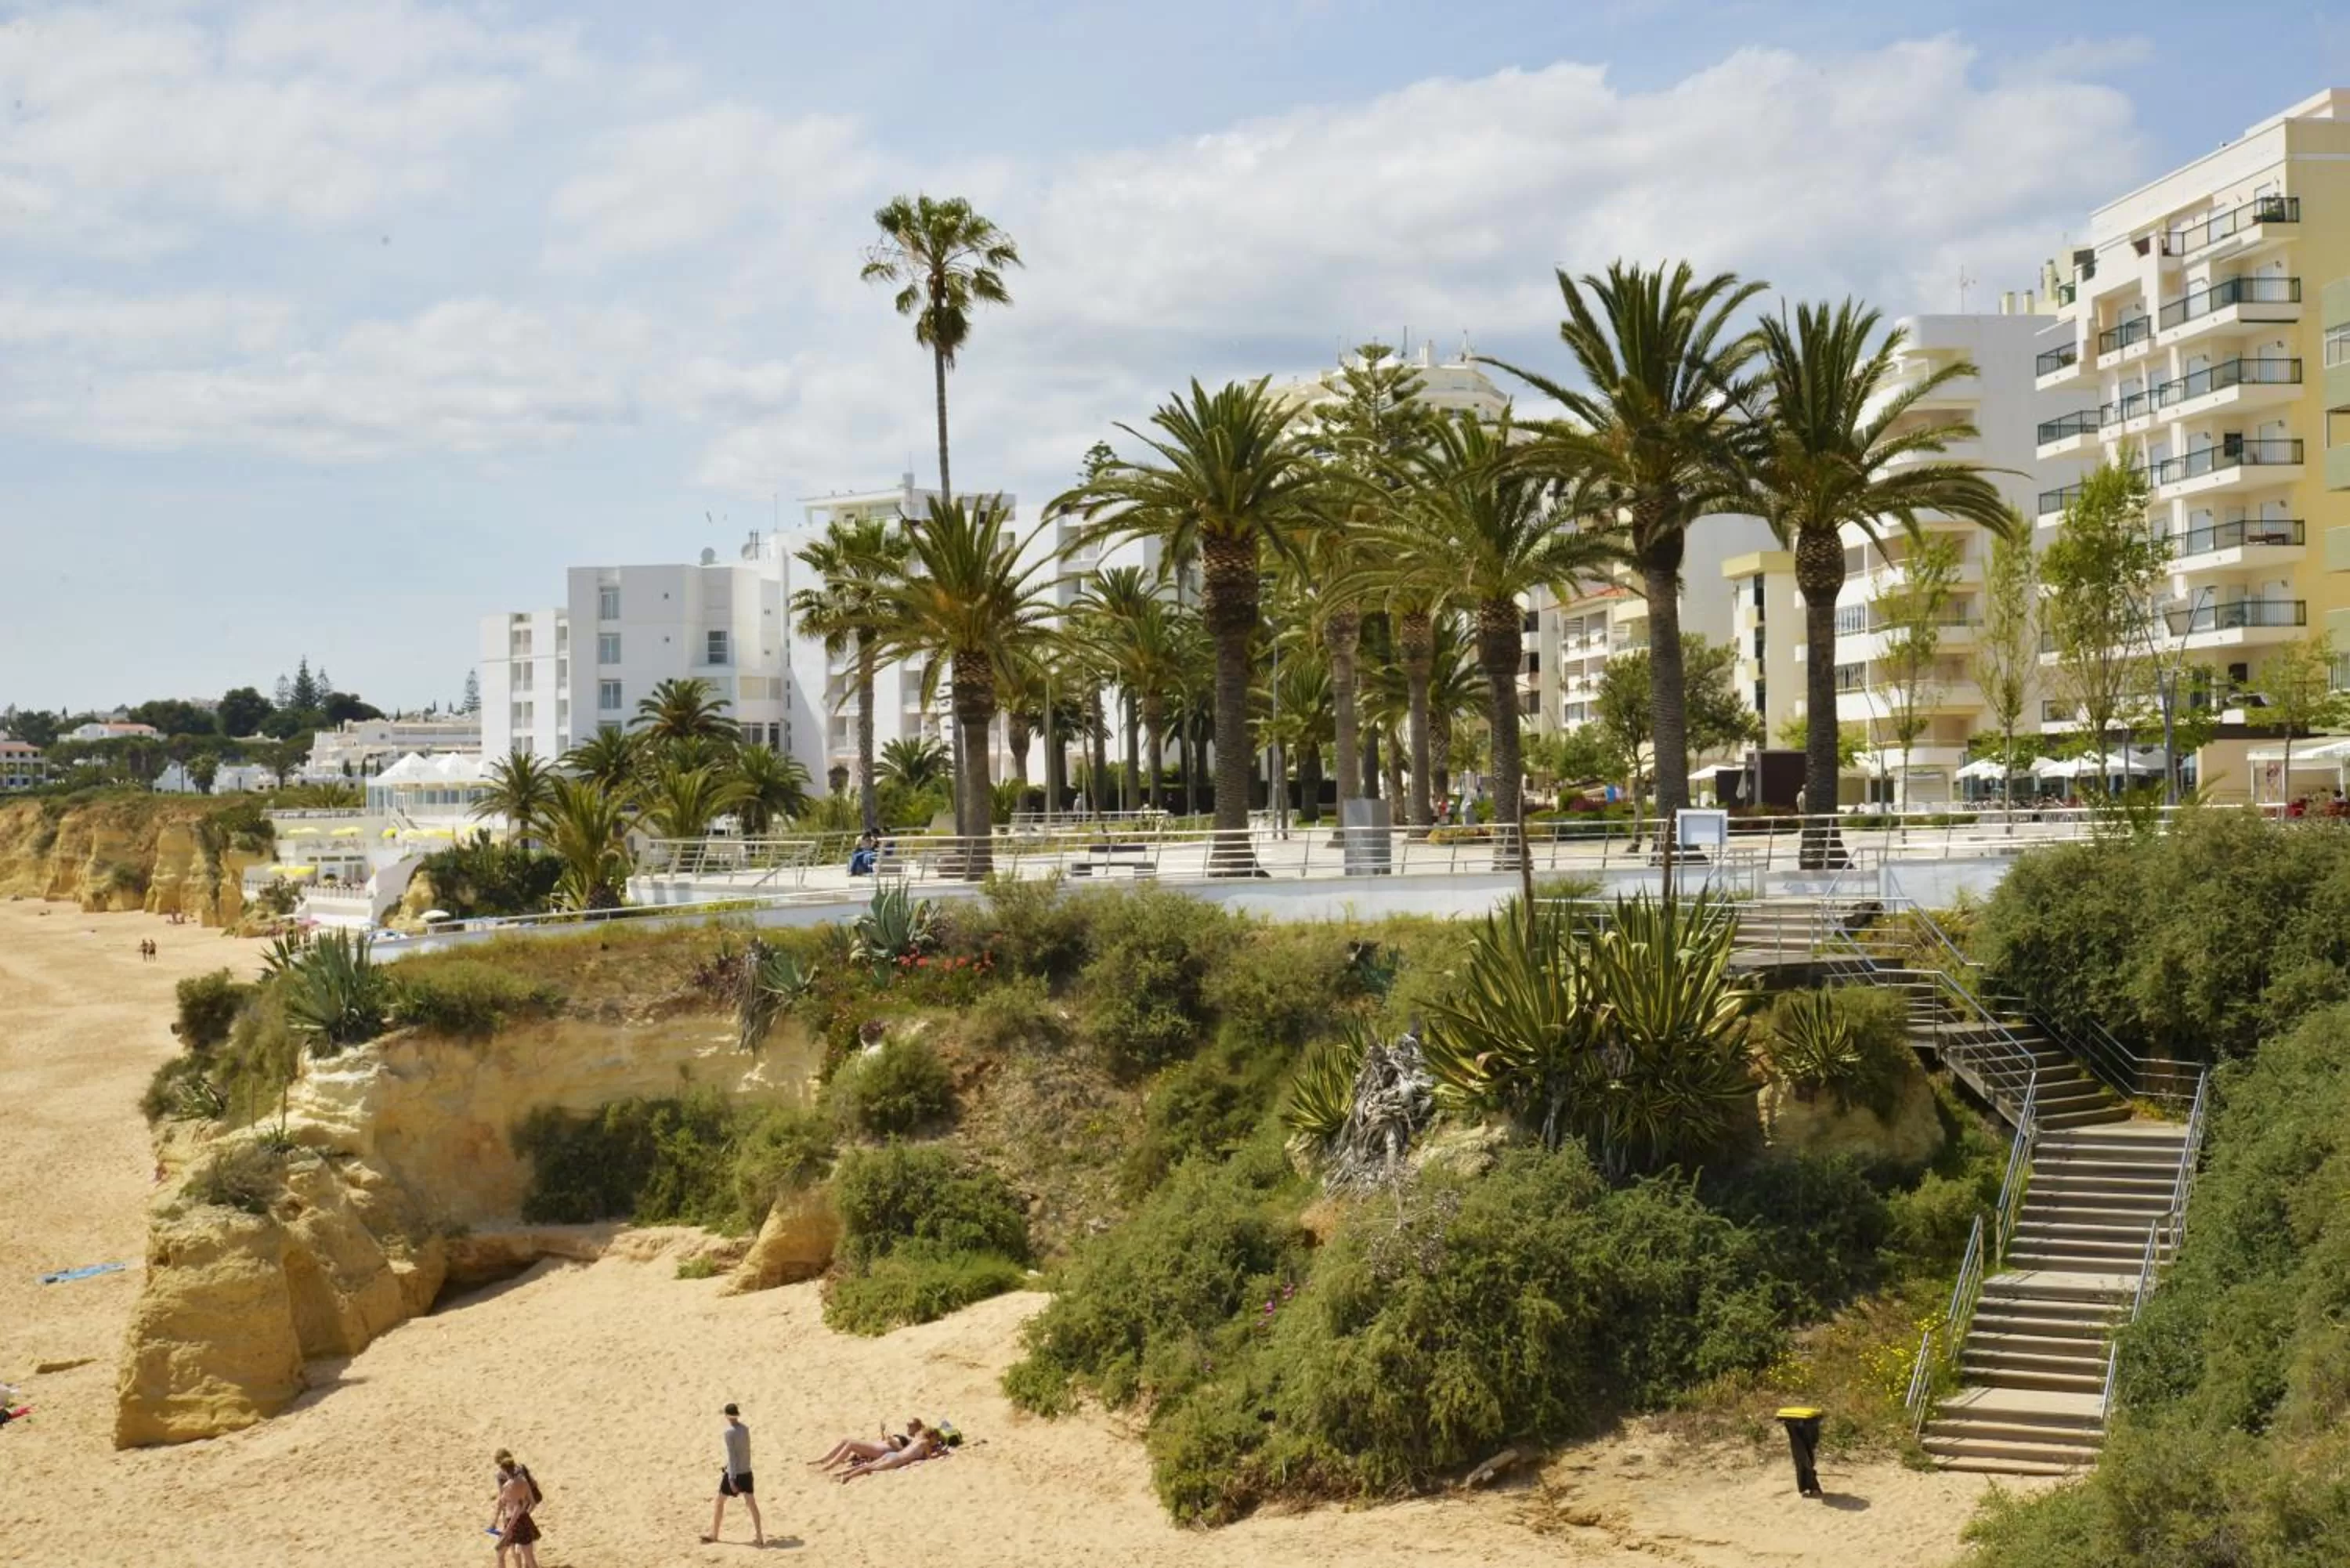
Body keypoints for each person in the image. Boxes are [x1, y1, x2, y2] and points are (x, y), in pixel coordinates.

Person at [705, 1402, 765, 1546]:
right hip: (747, 1471)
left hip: (735, 1472)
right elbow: (744, 1452)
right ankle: (759, 1535)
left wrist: (731, 1478)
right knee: (751, 1503)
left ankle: (714, 1534)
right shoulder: (745, 1429)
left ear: (726, 1415)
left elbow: (732, 1455)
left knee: (720, 1502)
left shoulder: (728, 1432)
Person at [837, 1419, 939, 1483]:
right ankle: (847, 1477)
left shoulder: (917, 1439)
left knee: (869, 1466)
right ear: (931, 1436)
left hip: (893, 1455)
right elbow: (930, 1457)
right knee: (869, 1468)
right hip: (896, 1460)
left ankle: (845, 1474)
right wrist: (939, 1453)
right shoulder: (925, 1443)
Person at [490, 1450, 541, 1567]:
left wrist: (498, 1524)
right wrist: (525, 1515)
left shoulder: (506, 1485)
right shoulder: (523, 1476)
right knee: (530, 1558)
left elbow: (502, 1503)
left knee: (502, 1553)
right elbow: (532, 1500)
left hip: (512, 1522)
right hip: (524, 1519)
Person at [808, 1419, 915, 1471]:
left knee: (851, 1444)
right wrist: (883, 1433)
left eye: (910, 1427)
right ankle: (824, 1459)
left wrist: (892, 1440)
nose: (908, 1429)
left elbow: (900, 1451)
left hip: (879, 1450)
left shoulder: (910, 1443)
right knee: (846, 1440)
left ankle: (830, 1465)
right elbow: (886, 1441)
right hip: (877, 1447)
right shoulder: (905, 1438)